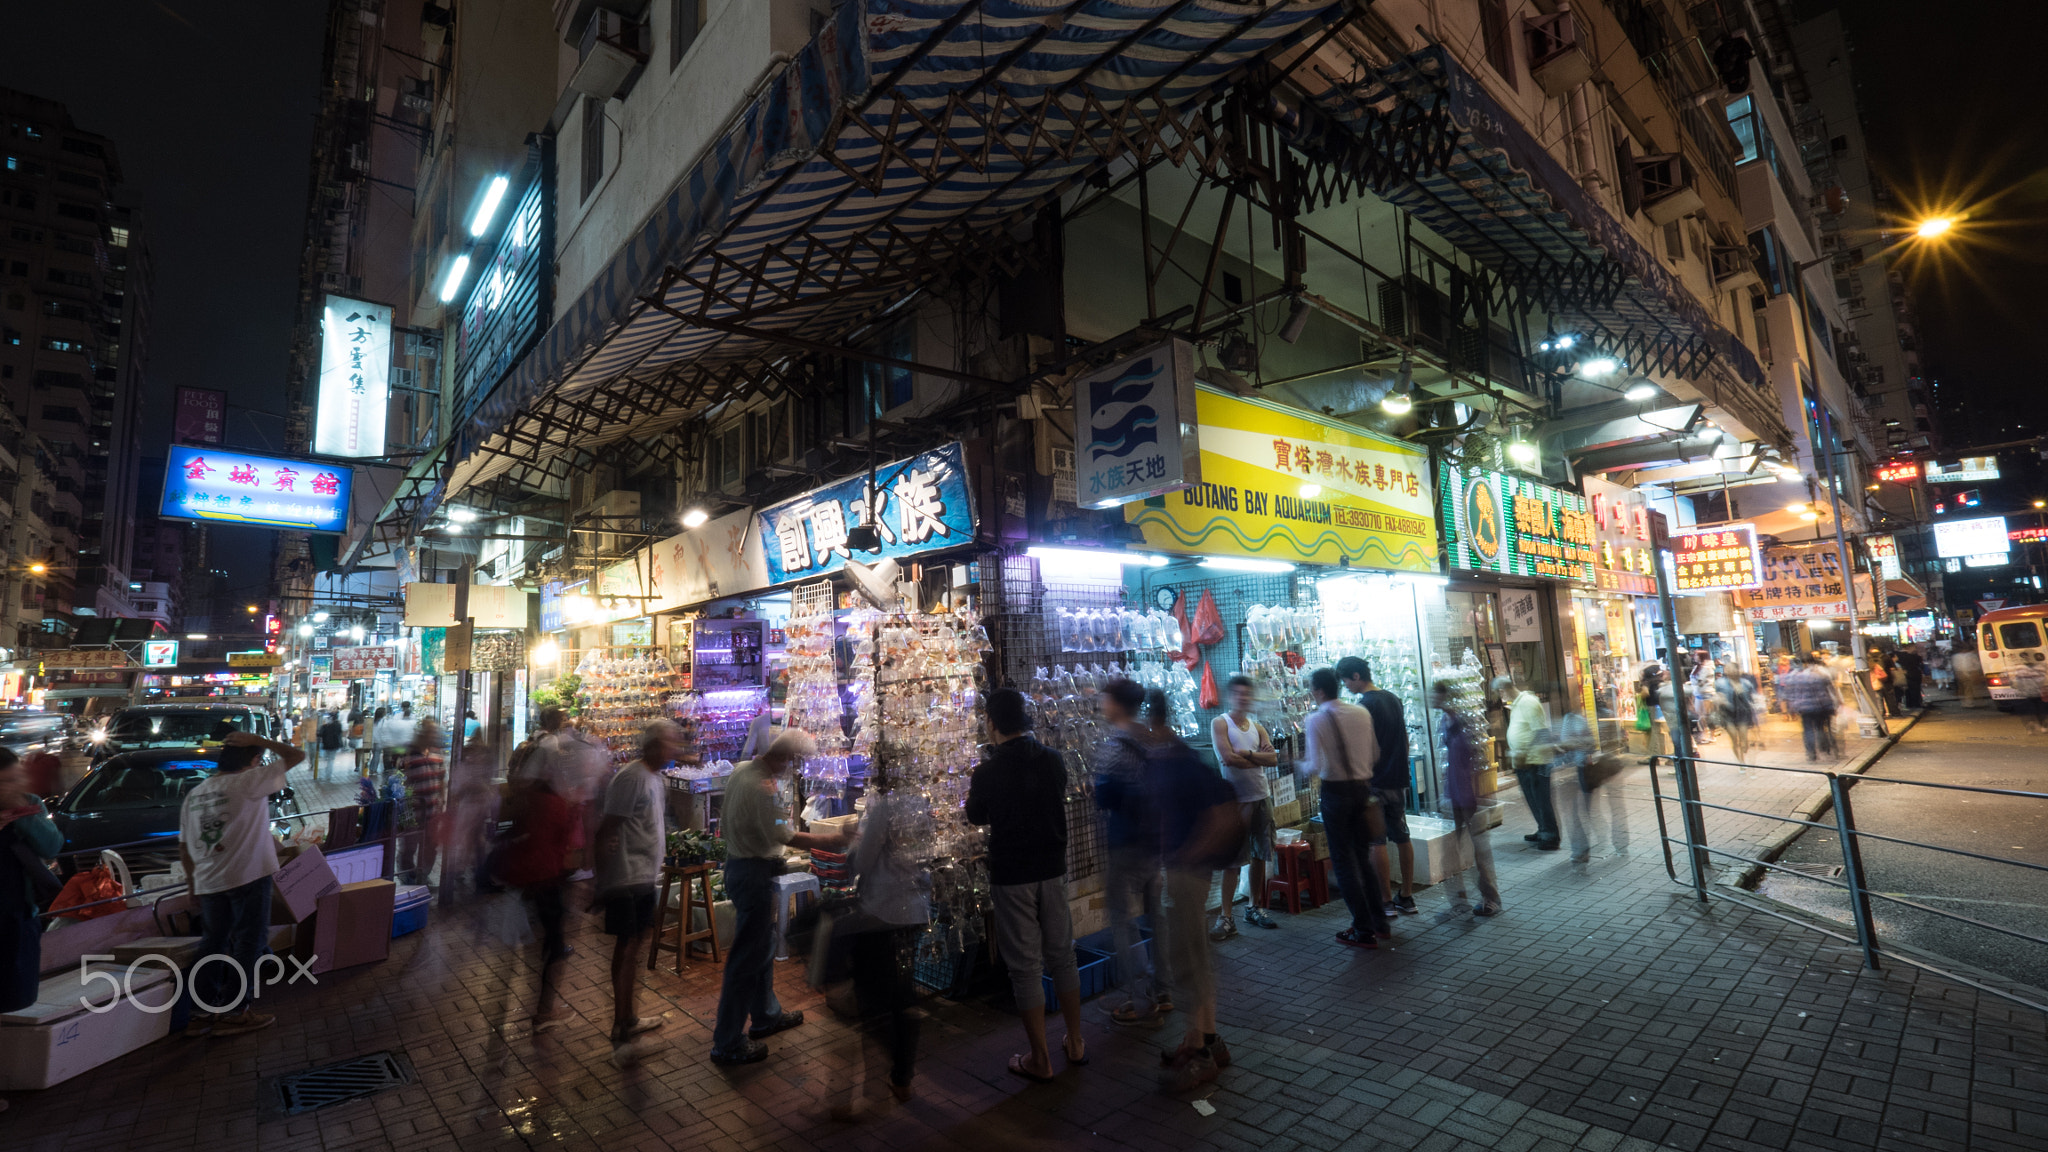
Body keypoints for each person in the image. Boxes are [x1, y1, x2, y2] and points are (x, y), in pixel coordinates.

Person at [711, 729, 850, 1065]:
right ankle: (727, 1042)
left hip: (743, 868)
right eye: (793, 761)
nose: (793, 767)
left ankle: (766, 1015)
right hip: (753, 871)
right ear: (785, 758)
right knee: (746, 958)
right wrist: (832, 839)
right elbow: (784, 834)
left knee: (761, 947)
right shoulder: (762, 787)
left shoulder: (743, 770)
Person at [968, 688, 1085, 1082]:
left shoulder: (987, 771)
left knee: (1025, 968)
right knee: (1063, 956)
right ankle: (1076, 1041)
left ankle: (1040, 1058)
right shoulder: (1053, 760)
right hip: (1052, 867)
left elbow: (975, 816)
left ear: (992, 722)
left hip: (1013, 874)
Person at [178, 730, 306, 1036]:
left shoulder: (196, 794)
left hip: (209, 881)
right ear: (253, 761)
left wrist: (193, 884)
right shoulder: (248, 782)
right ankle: (236, 1011)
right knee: (248, 942)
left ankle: (200, 1012)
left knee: (213, 943)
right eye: (258, 759)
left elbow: (184, 845)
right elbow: (297, 756)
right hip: (248, 876)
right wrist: (260, 740)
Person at [1142, 689, 1239, 1093]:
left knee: (1189, 964)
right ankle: (1209, 1039)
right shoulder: (1179, 758)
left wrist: (1183, 857)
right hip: (1189, 870)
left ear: (1153, 722)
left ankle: (1198, 1050)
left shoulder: (1175, 763)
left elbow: (1216, 818)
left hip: (1186, 873)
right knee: (1196, 956)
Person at [594, 721, 681, 1066]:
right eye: (669, 744)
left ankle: (628, 1017)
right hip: (625, 877)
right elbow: (606, 829)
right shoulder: (631, 778)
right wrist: (601, 882)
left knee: (636, 947)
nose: (674, 750)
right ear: (654, 747)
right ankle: (620, 1025)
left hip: (643, 877)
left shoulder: (653, 778)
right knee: (628, 949)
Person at [1095, 677, 1175, 1024]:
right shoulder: (1154, 739)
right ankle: (1163, 990)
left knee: (1122, 919)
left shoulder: (1116, 745)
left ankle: (1136, 996)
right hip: (1154, 840)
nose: (1101, 703)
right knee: (1156, 916)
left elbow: (1104, 797)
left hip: (1126, 842)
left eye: (1105, 698)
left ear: (1116, 703)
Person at [846, 781, 930, 1102]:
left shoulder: (883, 806)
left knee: (881, 996)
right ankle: (902, 1077)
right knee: (903, 990)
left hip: (884, 910)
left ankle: (881, 1081)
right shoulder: (920, 801)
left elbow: (864, 861)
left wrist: (853, 844)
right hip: (914, 907)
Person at [1302, 667, 1386, 947]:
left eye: (1312, 689)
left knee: (1343, 862)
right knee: (1362, 858)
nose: (1312, 694)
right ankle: (1380, 921)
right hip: (1363, 791)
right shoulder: (1361, 712)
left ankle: (1363, 930)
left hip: (1336, 794)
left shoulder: (1316, 719)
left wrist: (1296, 764)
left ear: (1320, 690)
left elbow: (1314, 765)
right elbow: (1375, 754)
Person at [493, 756, 576, 1032]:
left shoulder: (528, 799)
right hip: (546, 878)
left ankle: (516, 1002)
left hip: (525, 880)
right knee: (554, 947)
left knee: (534, 944)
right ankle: (544, 1010)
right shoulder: (555, 804)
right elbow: (562, 845)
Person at [1339, 657, 1416, 916]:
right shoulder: (1393, 699)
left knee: (1377, 841)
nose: (1346, 686)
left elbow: (1361, 748)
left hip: (1375, 781)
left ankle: (1385, 901)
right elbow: (1404, 739)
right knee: (1402, 836)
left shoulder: (1364, 706)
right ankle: (1407, 896)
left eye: (1346, 680)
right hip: (1397, 778)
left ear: (1357, 676)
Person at [1208, 675, 1278, 939]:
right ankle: (1226, 918)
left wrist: (1248, 755)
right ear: (1230, 697)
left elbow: (1273, 759)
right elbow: (1227, 759)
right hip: (1236, 802)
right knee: (1233, 861)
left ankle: (1254, 907)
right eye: (1238, 694)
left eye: (1247, 694)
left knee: (1261, 855)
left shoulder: (1257, 727)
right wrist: (1259, 759)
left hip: (1261, 797)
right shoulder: (1220, 723)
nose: (1243, 698)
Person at [1, 748, 61, 1015]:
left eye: (16, 779)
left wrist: (22, 815)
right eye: (5, 781)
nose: (13, 787)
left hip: (19, 917)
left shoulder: (30, 803)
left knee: (18, 999)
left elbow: (52, 846)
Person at [1432, 683, 1501, 916]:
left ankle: (1490, 899)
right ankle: (1458, 902)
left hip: (1470, 797)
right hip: (1455, 796)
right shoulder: (1446, 722)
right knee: (1451, 852)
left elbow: (1478, 759)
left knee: (1478, 852)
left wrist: (1483, 794)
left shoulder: (1465, 724)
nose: (1432, 699)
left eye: (1436, 695)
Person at [1504, 679, 1560, 850]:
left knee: (1541, 799)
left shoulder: (1528, 702)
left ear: (1505, 689)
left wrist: (1524, 753)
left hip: (1536, 761)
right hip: (1524, 762)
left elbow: (1541, 732)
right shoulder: (1516, 705)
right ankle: (1542, 829)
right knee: (1532, 799)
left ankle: (1550, 836)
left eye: (1499, 691)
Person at [400, 719, 448, 888]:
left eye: (435, 732)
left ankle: (423, 877)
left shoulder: (437, 754)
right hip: (413, 812)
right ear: (422, 733)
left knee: (430, 846)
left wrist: (441, 801)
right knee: (409, 847)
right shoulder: (409, 754)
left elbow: (441, 779)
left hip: (432, 811)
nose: (434, 735)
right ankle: (408, 878)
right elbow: (399, 781)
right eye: (431, 732)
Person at [1778, 657, 1841, 761]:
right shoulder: (1820, 675)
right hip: (1819, 707)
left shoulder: (1794, 677)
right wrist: (1832, 705)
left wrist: (1792, 706)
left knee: (1808, 730)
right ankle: (1824, 749)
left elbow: (1789, 694)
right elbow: (1827, 692)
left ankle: (1811, 752)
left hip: (1804, 708)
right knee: (1820, 728)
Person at [1711, 668, 1759, 764]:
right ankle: (1741, 762)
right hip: (1728, 714)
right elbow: (1715, 697)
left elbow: (1752, 698)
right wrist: (1719, 701)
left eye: (1734, 671)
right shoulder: (1720, 683)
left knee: (1744, 741)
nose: (1732, 673)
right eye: (1730, 671)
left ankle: (1744, 755)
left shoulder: (1745, 683)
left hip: (1742, 714)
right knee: (1734, 740)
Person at [318, 711, 345, 779]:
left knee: (327, 759)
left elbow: (320, 734)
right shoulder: (338, 725)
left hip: (326, 744)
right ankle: (328, 774)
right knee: (331, 759)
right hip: (334, 744)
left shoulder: (325, 726)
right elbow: (340, 733)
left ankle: (326, 773)